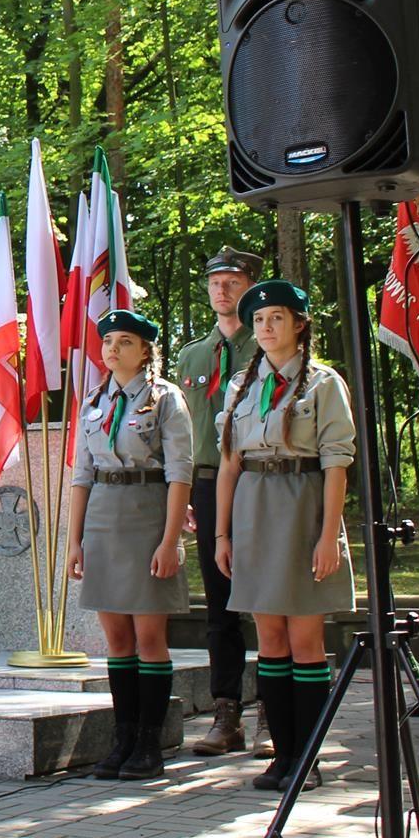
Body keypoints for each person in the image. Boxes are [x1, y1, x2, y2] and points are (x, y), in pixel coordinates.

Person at [214, 281, 356, 791]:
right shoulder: (240, 387)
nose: (266, 328)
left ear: (300, 324)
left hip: (302, 506)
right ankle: (281, 755)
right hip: (253, 507)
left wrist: (327, 536)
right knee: (269, 639)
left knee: (305, 639)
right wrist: (222, 535)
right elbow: (229, 466)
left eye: (277, 318)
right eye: (258, 320)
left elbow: (337, 463)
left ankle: (308, 756)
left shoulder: (323, 384)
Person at [66, 309, 193, 780]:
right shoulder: (94, 401)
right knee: (117, 639)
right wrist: (74, 541)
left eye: (125, 341)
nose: (113, 349)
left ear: (145, 351)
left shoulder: (165, 399)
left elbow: (180, 472)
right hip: (103, 515)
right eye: (108, 341)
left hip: (147, 515)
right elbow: (82, 475)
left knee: (149, 637)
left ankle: (149, 742)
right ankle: (123, 738)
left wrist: (170, 539)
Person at [171, 247, 263, 757]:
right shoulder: (192, 356)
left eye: (232, 281)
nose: (222, 290)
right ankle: (226, 712)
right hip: (207, 486)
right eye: (214, 282)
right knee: (220, 604)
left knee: (268, 596)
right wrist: (183, 493)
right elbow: (184, 435)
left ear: (250, 285)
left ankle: (275, 706)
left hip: (260, 482)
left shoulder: (268, 343)